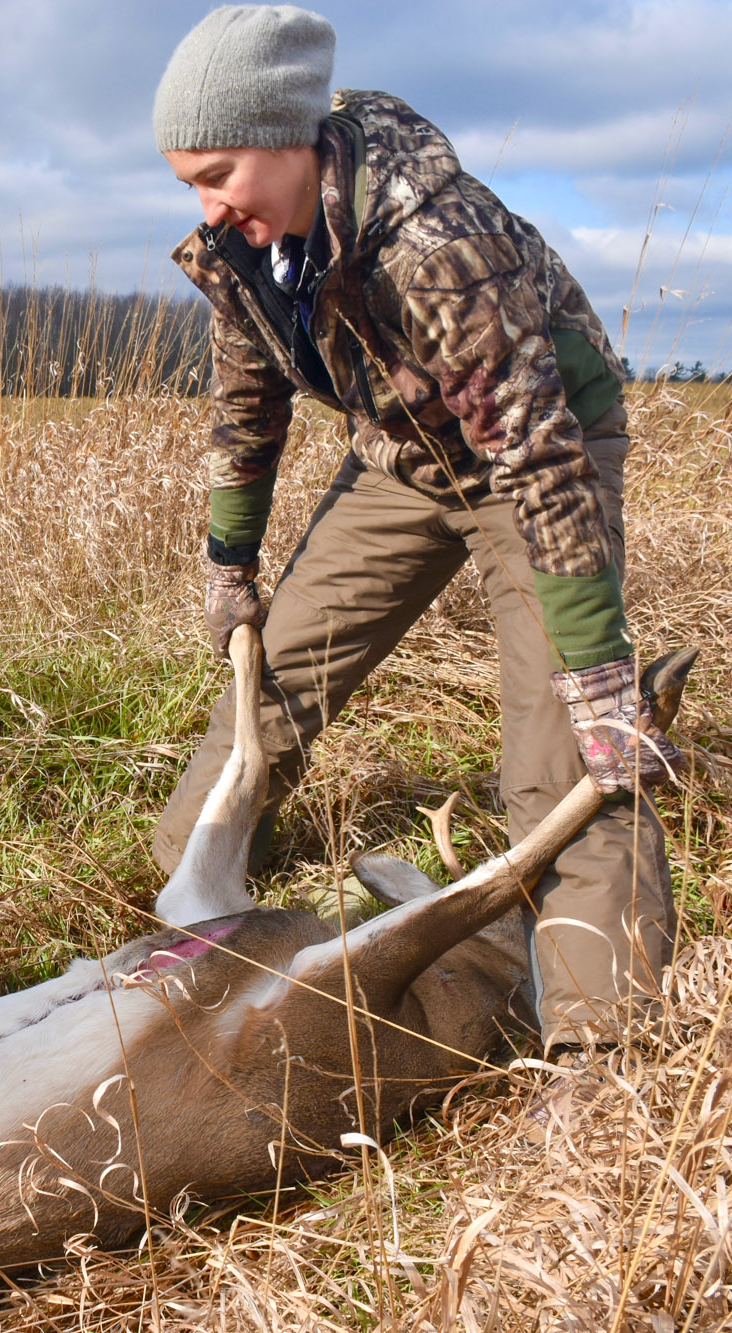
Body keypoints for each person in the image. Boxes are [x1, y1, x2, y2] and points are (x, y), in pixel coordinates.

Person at [146, 6, 683, 1056]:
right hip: (398, 453)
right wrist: (230, 562)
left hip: (530, 464)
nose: (209, 208)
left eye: (220, 174)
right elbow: (245, 405)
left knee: (564, 759)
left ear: (292, 136)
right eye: (186, 185)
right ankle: (185, 921)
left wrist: (593, 672)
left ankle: (600, 1047)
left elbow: (537, 456)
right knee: (273, 684)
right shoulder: (243, 249)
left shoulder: (435, 241)